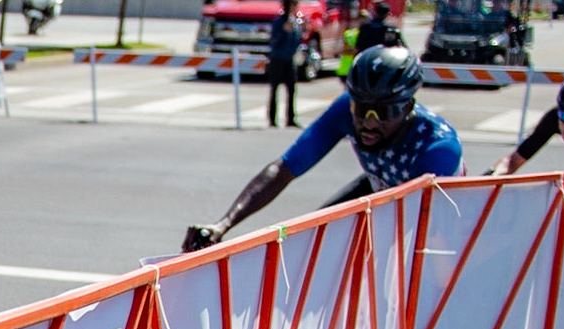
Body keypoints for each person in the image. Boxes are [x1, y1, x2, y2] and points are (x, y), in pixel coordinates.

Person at [182, 46, 462, 251]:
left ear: (409, 106)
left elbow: (424, 230)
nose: (369, 122)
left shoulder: (438, 147)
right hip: (382, 188)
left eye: (384, 112)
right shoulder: (344, 110)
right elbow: (285, 168)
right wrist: (223, 224)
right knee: (312, 240)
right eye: (361, 108)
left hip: (438, 221)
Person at [267, 0, 303, 128]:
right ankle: (272, 119)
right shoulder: (279, 22)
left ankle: (291, 118)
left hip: (289, 59)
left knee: (292, 89)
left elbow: (297, 40)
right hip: (277, 59)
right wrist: (283, 32)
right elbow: (273, 41)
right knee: (274, 89)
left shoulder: (296, 22)